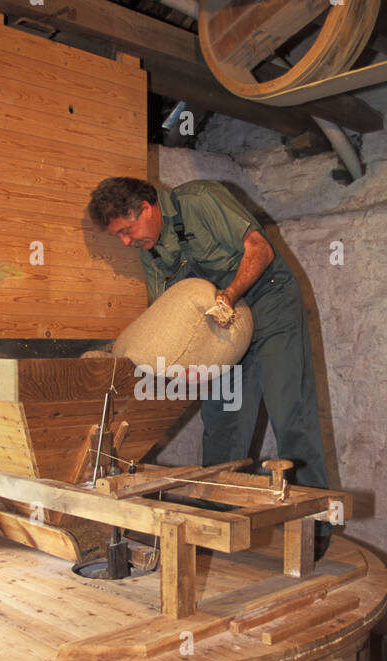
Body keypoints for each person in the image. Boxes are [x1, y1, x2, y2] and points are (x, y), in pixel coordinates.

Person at [87, 176, 330, 491]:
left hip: (269, 303)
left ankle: (314, 523)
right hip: (223, 325)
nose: (124, 242)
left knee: (289, 409)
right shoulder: (153, 254)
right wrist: (186, 364)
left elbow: (260, 250)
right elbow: (167, 313)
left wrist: (229, 295)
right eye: (118, 236)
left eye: (126, 231)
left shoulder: (200, 200)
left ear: (146, 209)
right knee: (223, 419)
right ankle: (217, 514)